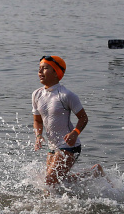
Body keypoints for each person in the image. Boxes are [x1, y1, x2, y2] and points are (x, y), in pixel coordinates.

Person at [32, 56, 104, 187]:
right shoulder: (36, 94)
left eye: (45, 68)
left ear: (56, 73)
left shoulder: (66, 95)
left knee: (49, 182)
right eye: (39, 69)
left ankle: (49, 207)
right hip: (52, 146)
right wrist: (38, 135)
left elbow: (83, 118)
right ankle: (93, 172)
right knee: (56, 183)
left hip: (69, 145)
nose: (40, 72)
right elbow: (37, 120)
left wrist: (75, 132)